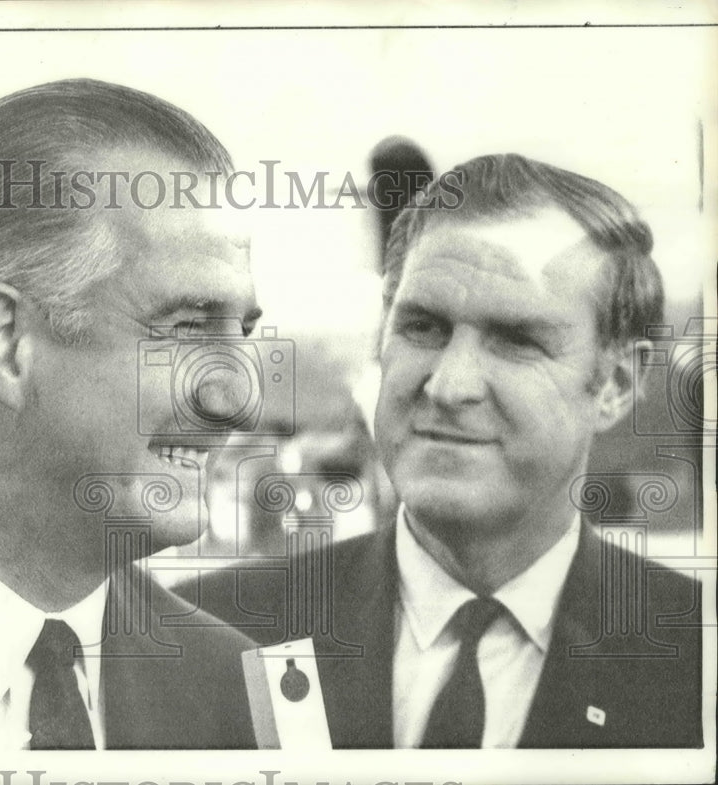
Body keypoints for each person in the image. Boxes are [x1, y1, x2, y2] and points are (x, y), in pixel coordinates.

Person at [183, 153, 702, 748]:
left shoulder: (692, 658)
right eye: (423, 327)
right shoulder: (215, 638)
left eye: (517, 340)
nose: (449, 385)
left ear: (616, 385)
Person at [0, 78, 263, 750]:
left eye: (243, 332)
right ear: (6, 341)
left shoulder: (233, 688)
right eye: (188, 326)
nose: (240, 400)